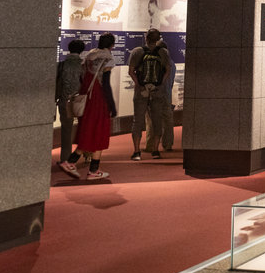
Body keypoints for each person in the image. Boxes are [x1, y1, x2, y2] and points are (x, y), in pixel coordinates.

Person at [58, 33, 118, 180]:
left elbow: (82, 76)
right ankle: (75, 163)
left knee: (91, 130)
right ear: (112, 45)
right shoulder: (108, 58)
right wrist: (111, 105)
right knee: (99, 131)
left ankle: (92, 168)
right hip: (98, 99)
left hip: (87, 97)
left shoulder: (90, 55)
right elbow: (105, 84)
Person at [128, 28, 172, 160]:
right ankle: (155, 150)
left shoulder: (137, 51)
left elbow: (131, 71)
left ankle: (136, 151)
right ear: (158, 39)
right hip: (157, 91)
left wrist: (139, 84)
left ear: (145, 37)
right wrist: (160, 85)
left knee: (138, 120)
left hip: (141, 91)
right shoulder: (163, 52)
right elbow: (167, 71)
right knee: (157, 119)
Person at [54, 39, 85, 159]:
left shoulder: (61, 65)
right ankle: (86, 154)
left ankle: (65, 158)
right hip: (80, 101)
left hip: (64, 100)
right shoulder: (83, 65)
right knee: (84, 128)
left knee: (66, 130)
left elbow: (56, 83)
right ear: (81, 51)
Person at [144, 37, 176, 152]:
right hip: (167, 96)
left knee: (152, 121)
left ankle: (151, 145)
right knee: (168, 121)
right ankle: (168, 144)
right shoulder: (171, 63)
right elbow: (170, 82)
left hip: (154, 96)